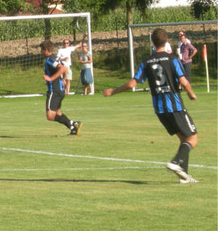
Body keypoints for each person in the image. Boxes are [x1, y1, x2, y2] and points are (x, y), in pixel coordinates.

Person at [103, 28, 198, 183]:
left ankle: (184, 177)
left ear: (152, 43)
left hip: (160, 110)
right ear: (166, 41)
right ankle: (175, 162)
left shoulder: (146, 61)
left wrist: (113, 91)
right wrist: (190, 93)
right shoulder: (172, 59)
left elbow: (133, 83)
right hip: (175, 107)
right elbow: (183, 80)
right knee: (193, 139)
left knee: (183, 139)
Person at [40, 40, 82, 135]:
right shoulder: (55, 57)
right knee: (58, 113)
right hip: (60, 90)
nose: (40, 52)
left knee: (50, 116)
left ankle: (74, 123)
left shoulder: (50, 59)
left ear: (46, 50)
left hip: (54, 91)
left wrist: (51, 78)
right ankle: (73, 128)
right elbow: (64, 67)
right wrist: (63, 79)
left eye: (41, 50)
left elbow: (62, 68)